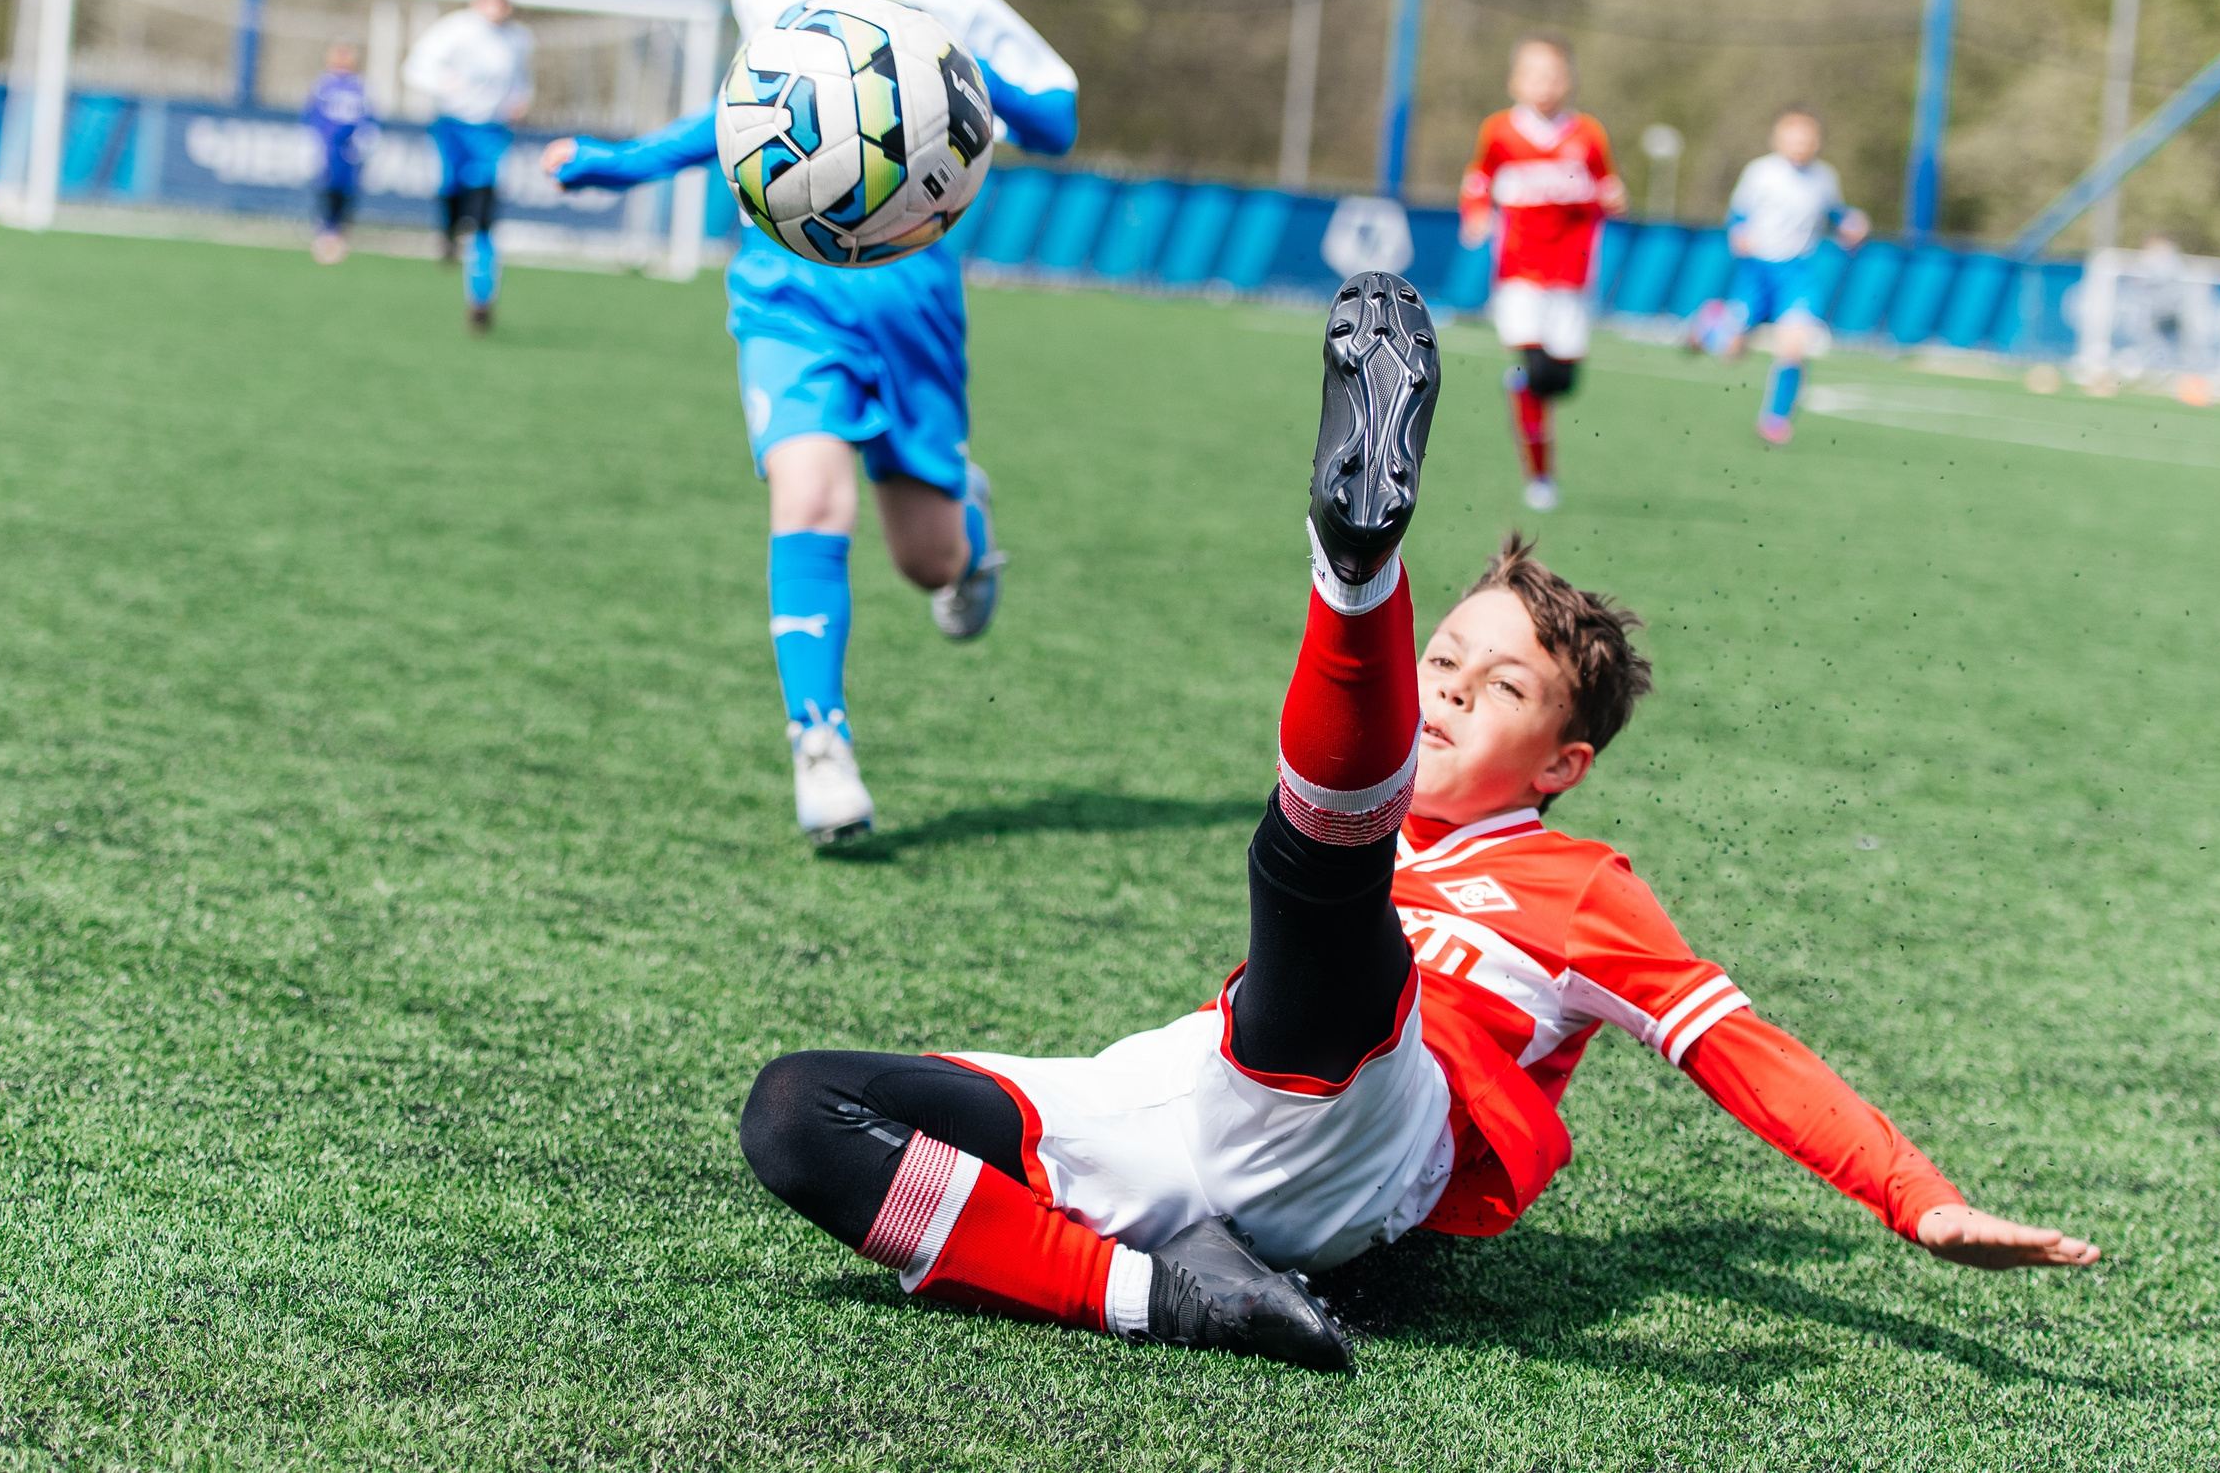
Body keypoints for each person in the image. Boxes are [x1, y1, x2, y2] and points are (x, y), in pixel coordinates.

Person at [736, 271, 2101, 1371]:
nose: (1452, 688)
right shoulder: (1400, 809)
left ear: (1561, 761)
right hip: (1210, 1081)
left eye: (1496, 683)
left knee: (1326, 881)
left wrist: (1913, 1193)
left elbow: (1743, 1049)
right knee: (798, 1110)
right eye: (1441, 658)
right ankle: (1173, 1295)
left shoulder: (1578, 885)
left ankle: (1353, 568)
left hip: (1381, 1130)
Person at [541, 0, 1078, 846]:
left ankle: (965, 526)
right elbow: (738, 119)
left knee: (924, 559)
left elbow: (1057, 118)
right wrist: (622, 165)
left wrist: (965, 75)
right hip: (789, 294)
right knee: (809, 496)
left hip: (912, 303)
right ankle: (819, 740)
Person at [1458, 36, 1626, 514]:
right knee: (1534, 367)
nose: (1545, 85)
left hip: (1571, 273)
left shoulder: (1587, 134)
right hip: (1519, 269)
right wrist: (1475, 213)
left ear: (1568, 81)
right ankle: (1540, 476)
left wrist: (1611, 199)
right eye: (1535, 74)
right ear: (1515, 81)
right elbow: (1478, 181)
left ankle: (1524, 385)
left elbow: (1608, 187)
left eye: (1554, 75)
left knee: (1559, 380)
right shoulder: (1501, 132)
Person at [1702, 108, 1868, 445]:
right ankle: (1708, 325)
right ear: (1778, 138)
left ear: (1817, 141)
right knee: (1731, 352)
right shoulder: (1760, 173)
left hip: (1796, 273)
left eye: (1807, 138)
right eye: (1794, 136)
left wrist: (1852, 225)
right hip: (1757, 270)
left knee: (1794, 347)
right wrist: (1739, 233)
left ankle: (1776, 420)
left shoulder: (1824, 177)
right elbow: (1737, 216)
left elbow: (1836, 213)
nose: (1801, 144)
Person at [403, 0, 534, 333]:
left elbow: (521, 80)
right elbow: (414, 68)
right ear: (477, 0)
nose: (495, 6)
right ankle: (447, 235)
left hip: (491, 135)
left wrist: (520, 101)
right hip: (452, 128)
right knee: (450, 190)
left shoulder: (518, 40)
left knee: (485, 216)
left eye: (501, 0)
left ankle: (481, 299)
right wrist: (444, 83)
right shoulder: (455, 31)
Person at [301, 41, 374, 266]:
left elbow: (369, 117)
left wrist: (366, 140)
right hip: (328, 148)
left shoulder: (361, 87)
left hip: (350, 151)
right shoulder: (323, 85)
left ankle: (339, 234)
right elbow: (311, 116)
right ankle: (324, 233)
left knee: (346, 192)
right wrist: (310, 143)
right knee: (326, 190)